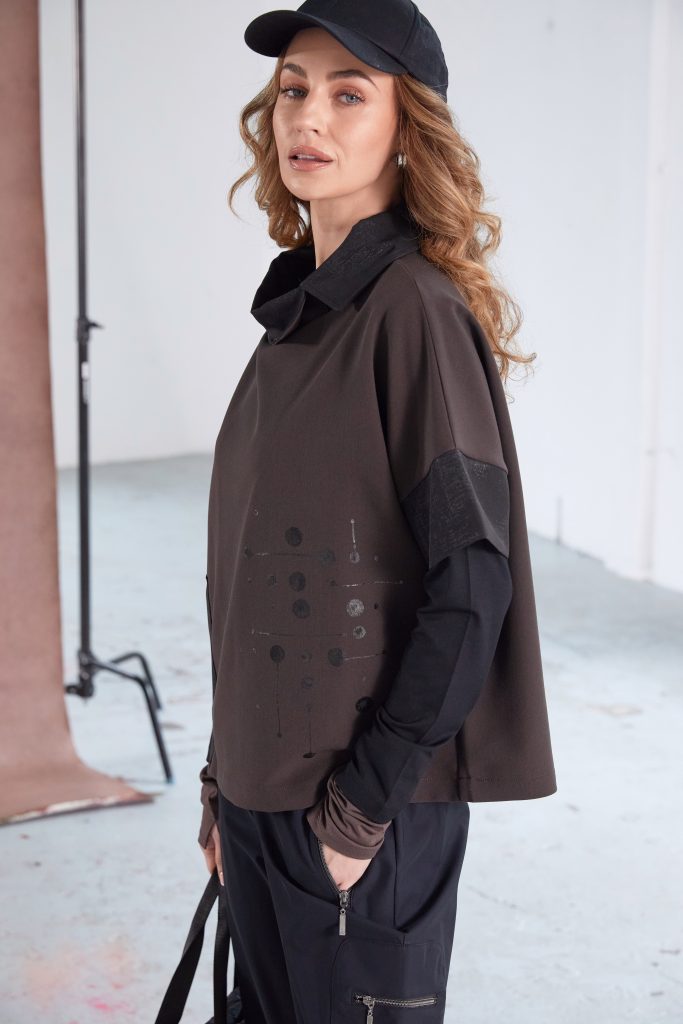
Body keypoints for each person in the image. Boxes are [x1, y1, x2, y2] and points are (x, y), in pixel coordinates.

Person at [197, 1, 557, 1021]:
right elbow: (258, 577)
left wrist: (357, 812)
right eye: (292, 90)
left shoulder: (414, 314)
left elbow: (471, 584)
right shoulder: (299, 317)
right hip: (265, 798)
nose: (308, 116)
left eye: (348, 94)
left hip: (357, 816)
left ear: (408, 129)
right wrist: (225, 783)